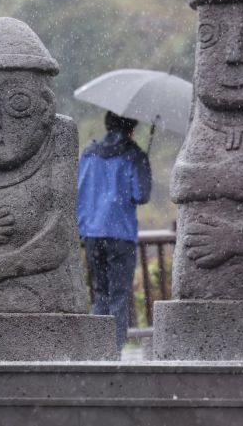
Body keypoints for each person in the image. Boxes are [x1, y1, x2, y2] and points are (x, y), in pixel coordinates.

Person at [77, 111, 152, 351]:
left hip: (92, 233)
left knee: (100, 293)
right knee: (119, 295)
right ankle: (113, 351)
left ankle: (95, 350)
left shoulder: (89, 153)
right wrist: (143, 169)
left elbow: (80, 193)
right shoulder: (134, 154)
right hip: (120, 234)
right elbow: (141, 195)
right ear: (131, 126)